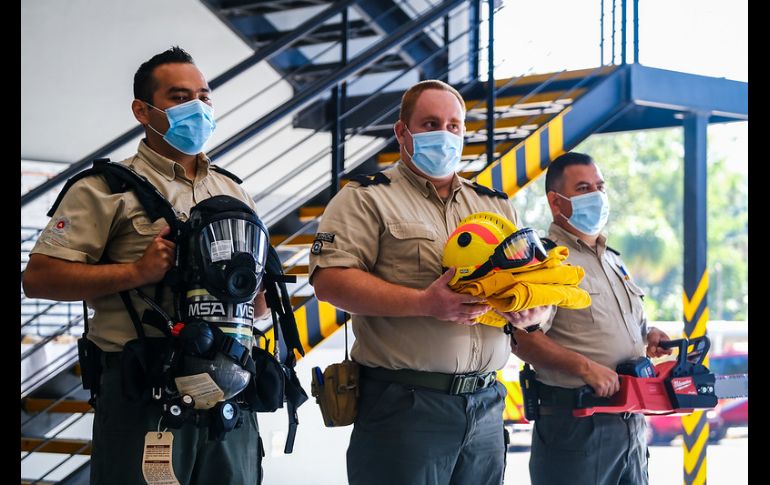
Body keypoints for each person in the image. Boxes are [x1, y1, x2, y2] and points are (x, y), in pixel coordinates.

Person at [22, 46, 267, 485]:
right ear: (143, 110)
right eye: (179, 97)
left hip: (230, 391)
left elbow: (259, 304)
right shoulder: (104, 188)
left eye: (204, 97)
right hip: (145, 393)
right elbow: (39, 279)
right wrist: (136, 273)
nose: (198, 108)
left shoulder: (234, 191)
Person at [308, 79, 550, 485]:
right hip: (405, 406)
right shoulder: (367, 198)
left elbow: (532, 282)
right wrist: (425, 303)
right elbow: (330, 281)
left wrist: (534, 312)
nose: (445, 134)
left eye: (454, 125)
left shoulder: (494, 205)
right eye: (431, 124)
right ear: (402, 132)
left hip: (487, 405)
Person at [507, 151, 672, 485]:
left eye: (600, 186)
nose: (596, 196)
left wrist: (649, 334)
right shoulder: (544, 261)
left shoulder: (613, 260)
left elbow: (624, 325)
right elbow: (522, 339)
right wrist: (585, 368)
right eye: (583, 189)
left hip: (629, 422)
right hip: (577, 422)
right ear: (556, 202)